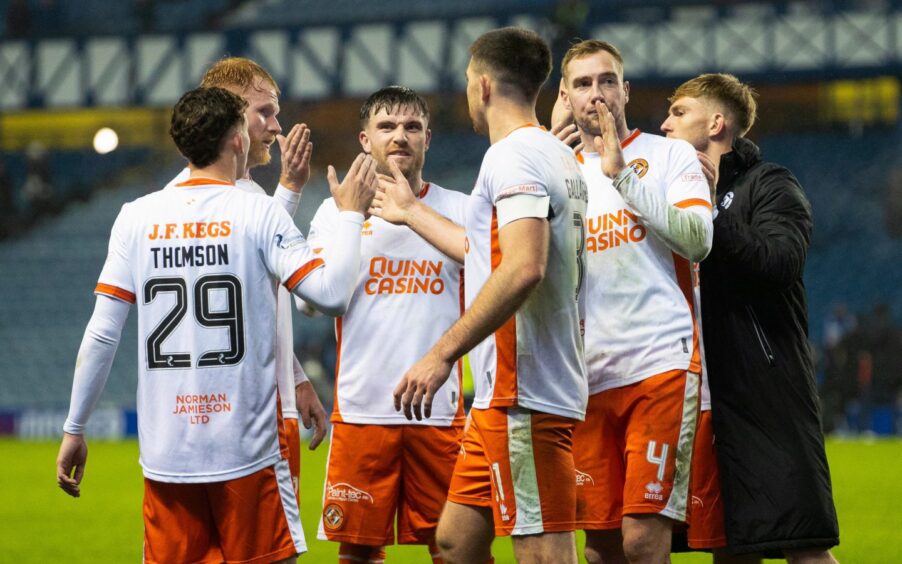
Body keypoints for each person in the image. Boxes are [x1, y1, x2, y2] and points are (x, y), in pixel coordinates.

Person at [56, 86, 376, 562]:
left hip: (167, 457)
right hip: (245, 450)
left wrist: (74, 427)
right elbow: (329, 296)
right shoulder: (259, 212)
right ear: (237, 141)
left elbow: (103, 332)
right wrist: (350, 216)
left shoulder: (135, 218)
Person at [373, 27, 589, 564]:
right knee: (455, 544)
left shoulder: (511, 158)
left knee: (542, 552)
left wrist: (442, 353)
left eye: (470, 82)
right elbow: (483, 250)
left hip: (525, 391)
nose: (470, 92)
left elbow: (522, 267)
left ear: (485, 86)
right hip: (501, 397)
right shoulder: (553, 155)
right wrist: (411, 211)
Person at [660, 73, 840, 562]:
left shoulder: (769, 183)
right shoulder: (671, 197)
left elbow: (781, 262)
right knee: (731, 546)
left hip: (764, 393)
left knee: (802, 545)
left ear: (716, 122)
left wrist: (712, 219)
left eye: (679, 112)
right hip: (698, 398)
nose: (664, 123)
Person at [554, 39, 713, 564]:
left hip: (659, 364)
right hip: (586, 378)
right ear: (565, 97)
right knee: (599, 542)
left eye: (605, 81)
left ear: (625, 90)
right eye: (582, 83)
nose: (595, 94)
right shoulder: (558, 175)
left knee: (643, 540)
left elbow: (697, 239)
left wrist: (620, 174)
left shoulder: (670, 156)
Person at [305, 85, 467, 564]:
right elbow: (311, 306)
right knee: (357, 554)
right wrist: (347, 220)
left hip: (438, 412)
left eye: (412, 127)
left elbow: (495, 275)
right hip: (362, 411)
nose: (400, 136)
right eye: (387, 127)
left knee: (455, 549)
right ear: (363, 139)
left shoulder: (459, 209)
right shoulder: (334, 212)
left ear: (428, 139)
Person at [165, 57, 328, 497]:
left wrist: (294, 377)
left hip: (216, 415)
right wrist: (346, 217)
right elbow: (322, 293)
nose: (278, 126)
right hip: (242, 416)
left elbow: (254, 306)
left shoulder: (219, 199)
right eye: (265, 112)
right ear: (231, 113)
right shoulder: (213, 207)